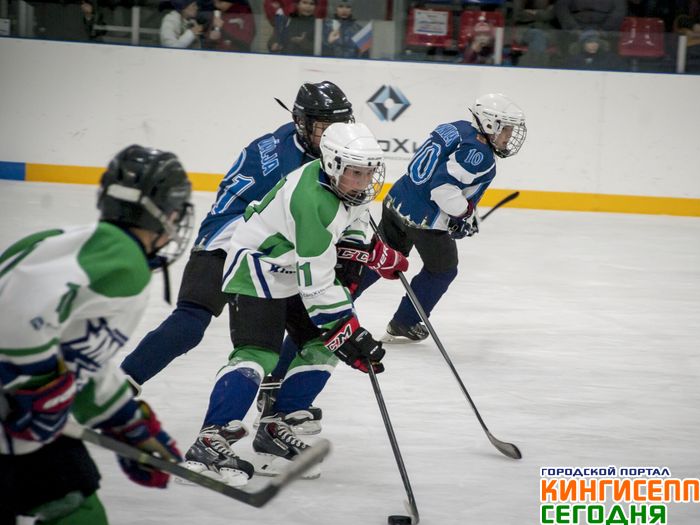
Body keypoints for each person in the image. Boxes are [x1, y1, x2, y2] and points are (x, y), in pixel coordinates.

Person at [183, 122, 406, 484]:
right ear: (333, 164)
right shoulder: (311, 199)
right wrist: (346, 327)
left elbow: (352, 224)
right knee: (259, 353)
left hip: (294, 268)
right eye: (356, 173)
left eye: (369, 172)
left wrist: (368, 252)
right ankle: (211, 438)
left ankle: (275, 429)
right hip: (258, 268)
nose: (364, 181)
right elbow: (317, 283)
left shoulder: (347, 188)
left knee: (322, 346)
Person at [0, 145, 193, 525]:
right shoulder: (122, 259)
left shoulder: (93, 247)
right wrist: (36, 384)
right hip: (12, 413)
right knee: (76, 511)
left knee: (76, 503)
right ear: (164, 213)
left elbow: (80, 355)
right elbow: (16, 313)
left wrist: (128, 423)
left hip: (16, 414)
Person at [120, 81, 353, 391]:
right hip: (230, 243)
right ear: (302, 122)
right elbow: (309, 225)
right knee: (195, 323)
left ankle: (118, 384)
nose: (333, 134)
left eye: (339, 124)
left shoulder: (291, 138)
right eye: (324, 126)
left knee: (308, 329)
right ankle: (119, 384)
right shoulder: (294, 167)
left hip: (242, 238)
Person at [358, 94, 526, 343]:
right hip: (423, 219)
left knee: (381, 256)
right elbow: (442, 189)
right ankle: (405, 321)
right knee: (442, 270)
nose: (509, 137)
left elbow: (439, 175)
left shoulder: (456, 128)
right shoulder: (480, 155)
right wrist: (463, 214)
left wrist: (462, 213)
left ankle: (338, 302)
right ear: (490, 124)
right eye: (507, 130)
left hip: (397, 200)